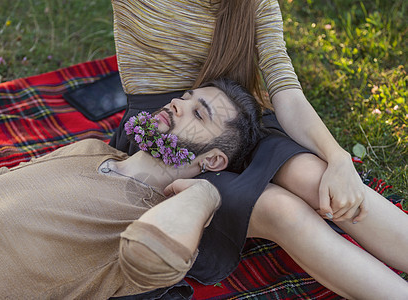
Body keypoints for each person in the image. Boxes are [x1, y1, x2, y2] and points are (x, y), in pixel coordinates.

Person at [108, 0, 408, 299]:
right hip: (165, 126)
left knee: (314, 178)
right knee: (281, 210)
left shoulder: (255, 4)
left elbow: (287, 94)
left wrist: (338, 158)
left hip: (235, 116)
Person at [0, 79, 264, 298]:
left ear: (213, 159)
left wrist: (205, 194)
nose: (177, 104)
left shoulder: (154, 217)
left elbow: (157, 257)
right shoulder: (90, 148)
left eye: (199, 113)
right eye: (185, 96)